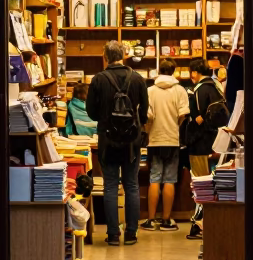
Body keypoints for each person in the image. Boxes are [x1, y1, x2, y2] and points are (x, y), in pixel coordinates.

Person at [86, 41, 149, 246]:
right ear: (124, 55)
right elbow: (144, 110)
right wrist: (134, 124)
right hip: (132, 140)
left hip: (107, 139)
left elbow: (91, 112)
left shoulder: (98, 79)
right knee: (131, 185)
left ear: (105, 57)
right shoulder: (137, 78)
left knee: (110, 186)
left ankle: (113, 234)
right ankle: (131, 233)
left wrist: (106, 119)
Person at [141, 59, 190, 231]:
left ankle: (150, 220)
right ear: (174, 71)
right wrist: (174, 124)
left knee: (154, 178)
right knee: (169, 179)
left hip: (154, 139)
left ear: (158, 71)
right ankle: (166, 220)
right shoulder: (180, 90)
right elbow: (183, 115)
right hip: (172, 139)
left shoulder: (150, 91)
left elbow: (148, 116)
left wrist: (149, 130)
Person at [187, 57, 224, 177]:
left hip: (200, 143)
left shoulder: (199, 90)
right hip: (217, 141)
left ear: (194, 72)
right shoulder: (215, 86)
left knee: (201, 181)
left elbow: (198, 119)